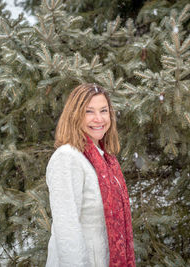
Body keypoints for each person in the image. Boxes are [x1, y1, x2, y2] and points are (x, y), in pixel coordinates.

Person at [45, 83, 135, 267]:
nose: (98, 118)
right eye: (89, 112)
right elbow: (67, 229)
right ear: (75, 115)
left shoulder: (106, 160)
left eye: (103, 110)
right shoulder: (67, 157)